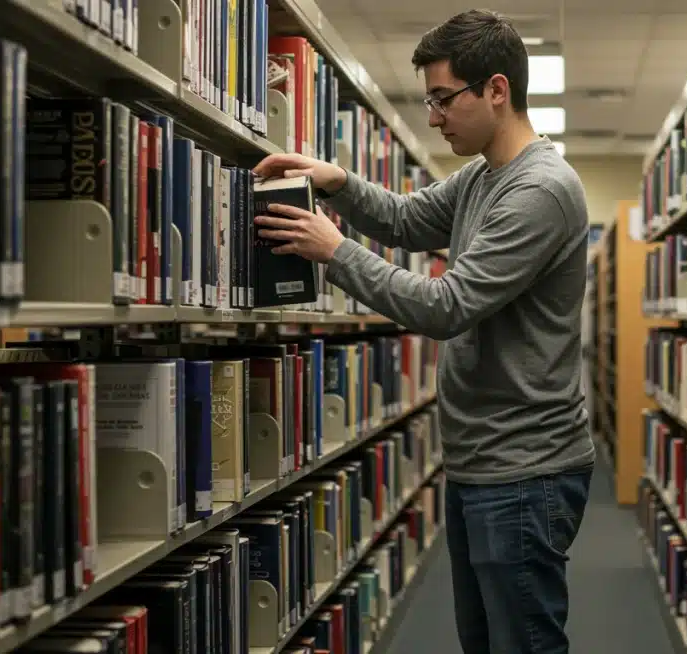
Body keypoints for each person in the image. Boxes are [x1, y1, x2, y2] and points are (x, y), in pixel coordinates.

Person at [251, 9, 595, 654]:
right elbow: (409, 220)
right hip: (483, 458)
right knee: (483, 639)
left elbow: (446, 306)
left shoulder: (540, 190)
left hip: (525, 466)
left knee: (522, 642)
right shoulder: (483, 176)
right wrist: (338, 181)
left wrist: (335, 252)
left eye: (442, 99)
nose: (434, 117)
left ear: (496, 89)